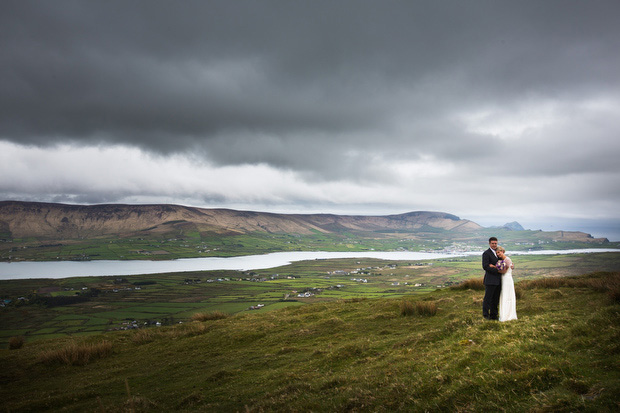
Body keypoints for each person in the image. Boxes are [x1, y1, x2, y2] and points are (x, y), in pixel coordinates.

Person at [482, 237, 501, 320]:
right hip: (490, 280)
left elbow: (503, 263)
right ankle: (486, 315)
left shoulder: (499, 252)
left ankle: (494, 315)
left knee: (496, 299)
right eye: (492, 243)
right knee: (488, 299)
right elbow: (485, 266)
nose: (494, 245)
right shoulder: (486, 253)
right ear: (489, 244)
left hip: (498, 281)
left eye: (495, 243)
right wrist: (498, 270)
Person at [496, 246, 517, 322]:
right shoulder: (502, 260)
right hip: (504, 279)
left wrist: (494, 268)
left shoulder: (507, 259)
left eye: (499, 252)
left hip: (507, 279)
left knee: (507, 295)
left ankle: (508, 314)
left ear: (502, 251)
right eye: (497, 253)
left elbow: (504, 271)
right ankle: (505, 313)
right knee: (504, 295)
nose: (498, 254)